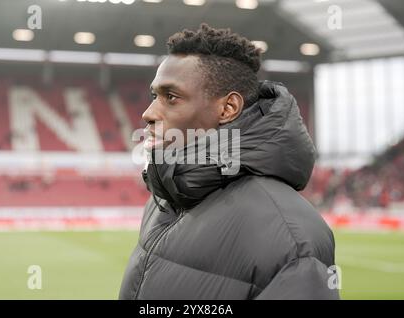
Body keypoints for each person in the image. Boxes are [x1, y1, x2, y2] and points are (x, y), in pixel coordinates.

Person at [119, 24, 339, 300]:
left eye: (171, 97)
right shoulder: (163, 200)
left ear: (228, 108)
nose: (148, 113)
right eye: (154, 96)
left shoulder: (291, 236)